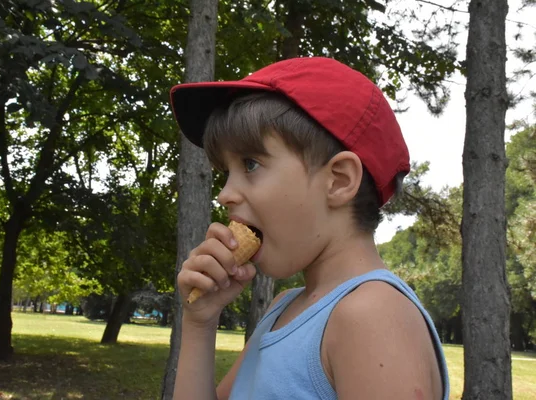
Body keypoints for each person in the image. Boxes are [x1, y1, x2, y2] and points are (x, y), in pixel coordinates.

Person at [169, 57, 450, 400]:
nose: (225, 194)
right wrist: (200, 323)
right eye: (224, 172)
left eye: (251, 163)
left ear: (338, 181)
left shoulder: (372, 316)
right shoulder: (284, 307)